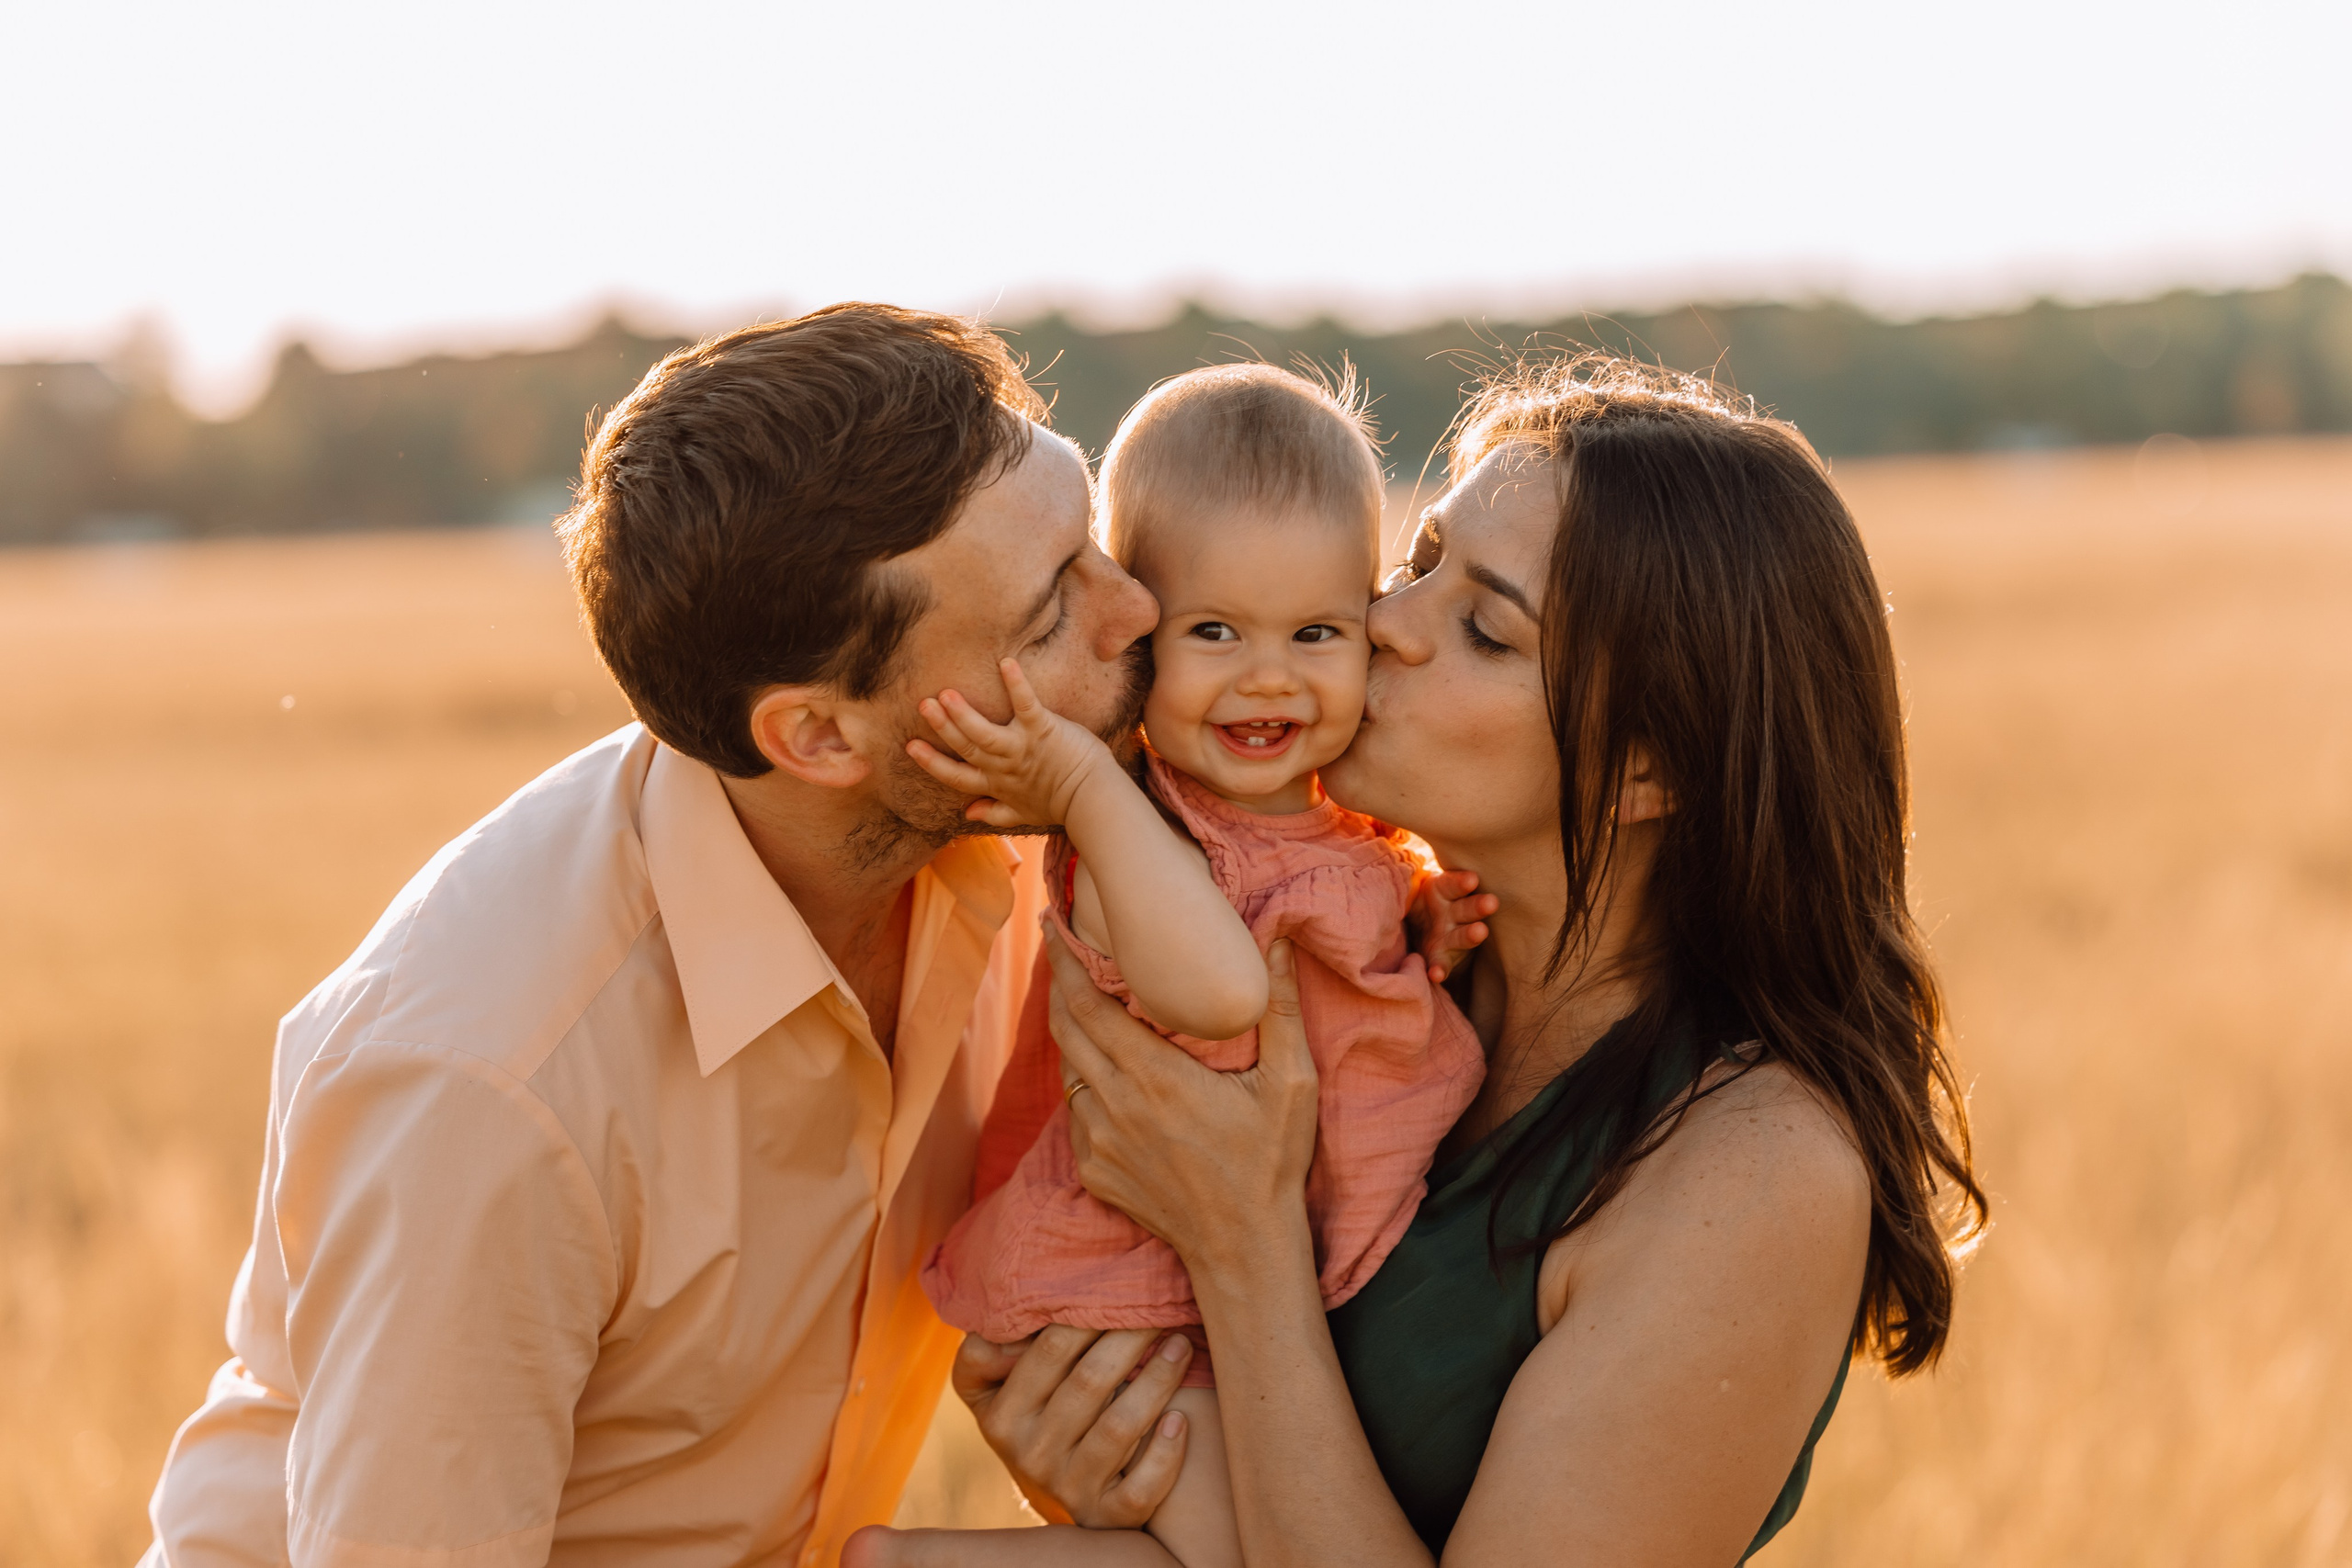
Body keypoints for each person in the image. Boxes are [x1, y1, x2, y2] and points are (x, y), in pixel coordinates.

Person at [908, 357, 1987, 1565]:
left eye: (1482, 627)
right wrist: (1098, 1459)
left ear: (1648, 770)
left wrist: (1242, 1243)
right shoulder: (1374, 957)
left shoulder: (1754, 1171)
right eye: (1417, 564)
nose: (1384, 625)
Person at [138, 303, 1161, 1568]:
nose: (1140, 611)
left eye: (1094, 544)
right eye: (1051, 612)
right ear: (821, 737)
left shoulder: (1029, 833)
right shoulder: (494, 1084)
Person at [903, 366, 1487, 1567]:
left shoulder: (1328, 822)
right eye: (1212, 632)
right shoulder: (1141, 830)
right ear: (1136, 627)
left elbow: (1328, 961)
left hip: (1214, 1271)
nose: (1267, 676)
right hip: (1124, 1289)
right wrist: (1071, 782)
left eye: (1316, 634)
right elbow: (1223, 991)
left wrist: (1421, 925)